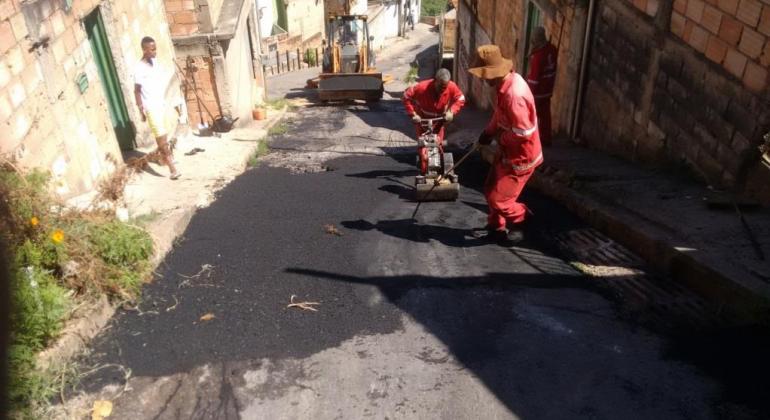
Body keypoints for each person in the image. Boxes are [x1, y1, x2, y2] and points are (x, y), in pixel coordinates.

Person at [469, 45, 543, 245]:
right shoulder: (507, 83)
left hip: (521, 155)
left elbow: (523, 132)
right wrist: (487, 133)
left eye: (484, 75)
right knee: (490, 187)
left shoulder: (514, 95)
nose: (482, 79)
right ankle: (496, 226)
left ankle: (522, 220)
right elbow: (499, 115)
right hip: (507, 151)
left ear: (493, 73)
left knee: (499, 199)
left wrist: (499, 140)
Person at [402, 68, 466, 174]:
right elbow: (406, 96)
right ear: (435, 80)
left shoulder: (451, 86)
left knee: (438, 144)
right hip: (422, 120)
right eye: (440, 86)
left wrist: (451, 111)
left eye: (444, 87)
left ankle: (438, 169)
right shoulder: (422, 87)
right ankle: (424, 168)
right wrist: (413, 114)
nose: (442, 90)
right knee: (423, 144)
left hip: (439, 121)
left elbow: (461, 98)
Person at [134, 36, 180, 180]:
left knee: (164, 137)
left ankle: (167, 158)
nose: (155, 52)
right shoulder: (139, 68)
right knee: (161, 139)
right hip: (151, 108)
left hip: (161, 105)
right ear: (144, 50)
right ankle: (172, 169)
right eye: (152, 49)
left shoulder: (154, 62)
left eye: (155, 49)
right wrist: (141, 109)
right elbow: (137, 90)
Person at [526, 26, 557, 147]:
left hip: (538, 92)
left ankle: (529, 140)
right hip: (548, 89)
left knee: (530, 116)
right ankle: (546, 138)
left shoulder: (538, 57)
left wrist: (528, 93)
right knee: (545, 116)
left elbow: (534, 79)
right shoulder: (553, 49)